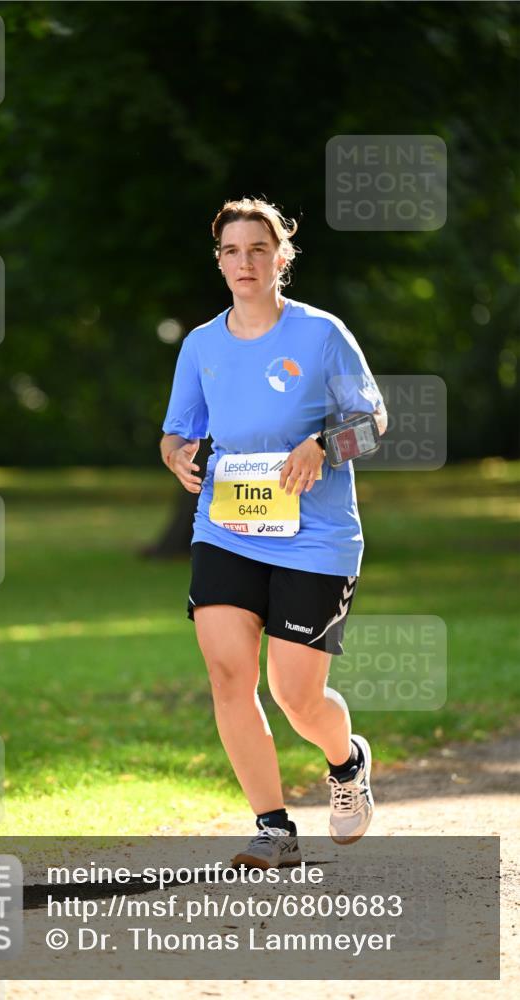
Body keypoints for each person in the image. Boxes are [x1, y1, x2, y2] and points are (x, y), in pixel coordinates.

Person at [160, 196, 387, 869]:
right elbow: (179, 429)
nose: (243, 262)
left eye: (257, 249)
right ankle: (272, 828)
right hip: (227, 527)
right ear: (220, 262)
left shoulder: (320, 334)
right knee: (229, 675)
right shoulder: (201, 343)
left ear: (279, 257)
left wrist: (322, 444)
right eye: (231, 251)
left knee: (296, 695)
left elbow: (371, 423)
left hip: (314, 537)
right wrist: (175, 453)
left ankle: (345, 764)